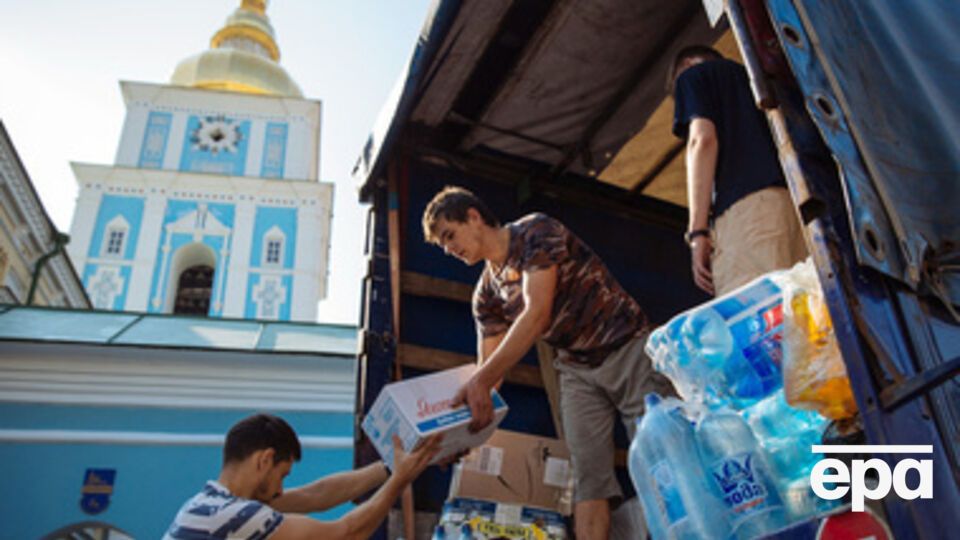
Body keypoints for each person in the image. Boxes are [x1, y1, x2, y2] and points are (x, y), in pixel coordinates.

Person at [422, 186, 675, 540]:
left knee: (663, 458)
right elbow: (490, 375)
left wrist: (479, 382)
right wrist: (460, 436)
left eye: (450, 235)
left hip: (626, 346)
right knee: (589, 481)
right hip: (576, 370)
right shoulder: (486, 295)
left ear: (474, 216)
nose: (449, 249)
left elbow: (537, 313)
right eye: (442, 246)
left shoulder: (535, 232)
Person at [163, 413, 442, 540]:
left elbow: (315, 495)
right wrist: (401, 480)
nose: (281, 490)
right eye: (282, 475)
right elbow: (347, 534)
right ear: (265, 459)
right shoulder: (242, 517)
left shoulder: (206, 505)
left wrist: (391, 467)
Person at [671, 45, 807, 296]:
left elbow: (702, 141)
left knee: (760, 314)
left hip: (749, 213)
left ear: (689, 64)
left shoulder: (692, 77)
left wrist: (697, 232)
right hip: (797, 207)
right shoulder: (766, 83)